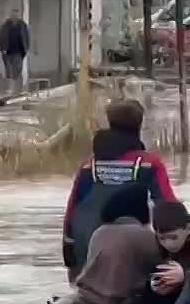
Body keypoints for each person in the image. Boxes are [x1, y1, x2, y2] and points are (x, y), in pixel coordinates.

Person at [63, 99, 176, 283]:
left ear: (110, 123)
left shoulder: (89, 165)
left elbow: (72, 209)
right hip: (132, 254)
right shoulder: (149, 164)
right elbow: (168, 205)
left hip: (86, 248)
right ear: (139, 124)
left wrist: (68, 246)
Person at [0, 8, 31, 94]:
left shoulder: (22, 25)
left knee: (17, 69)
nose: (14, 16)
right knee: (9, 70)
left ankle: (18, 88)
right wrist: (2, 49)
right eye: (13, 14)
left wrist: (26, 49)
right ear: (11, 15)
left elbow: (26, 37)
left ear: (18, 15)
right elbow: (0, 37)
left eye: (16, 14)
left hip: (19, 52)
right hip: (7, 52)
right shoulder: (5, 25)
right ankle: (9, 88)